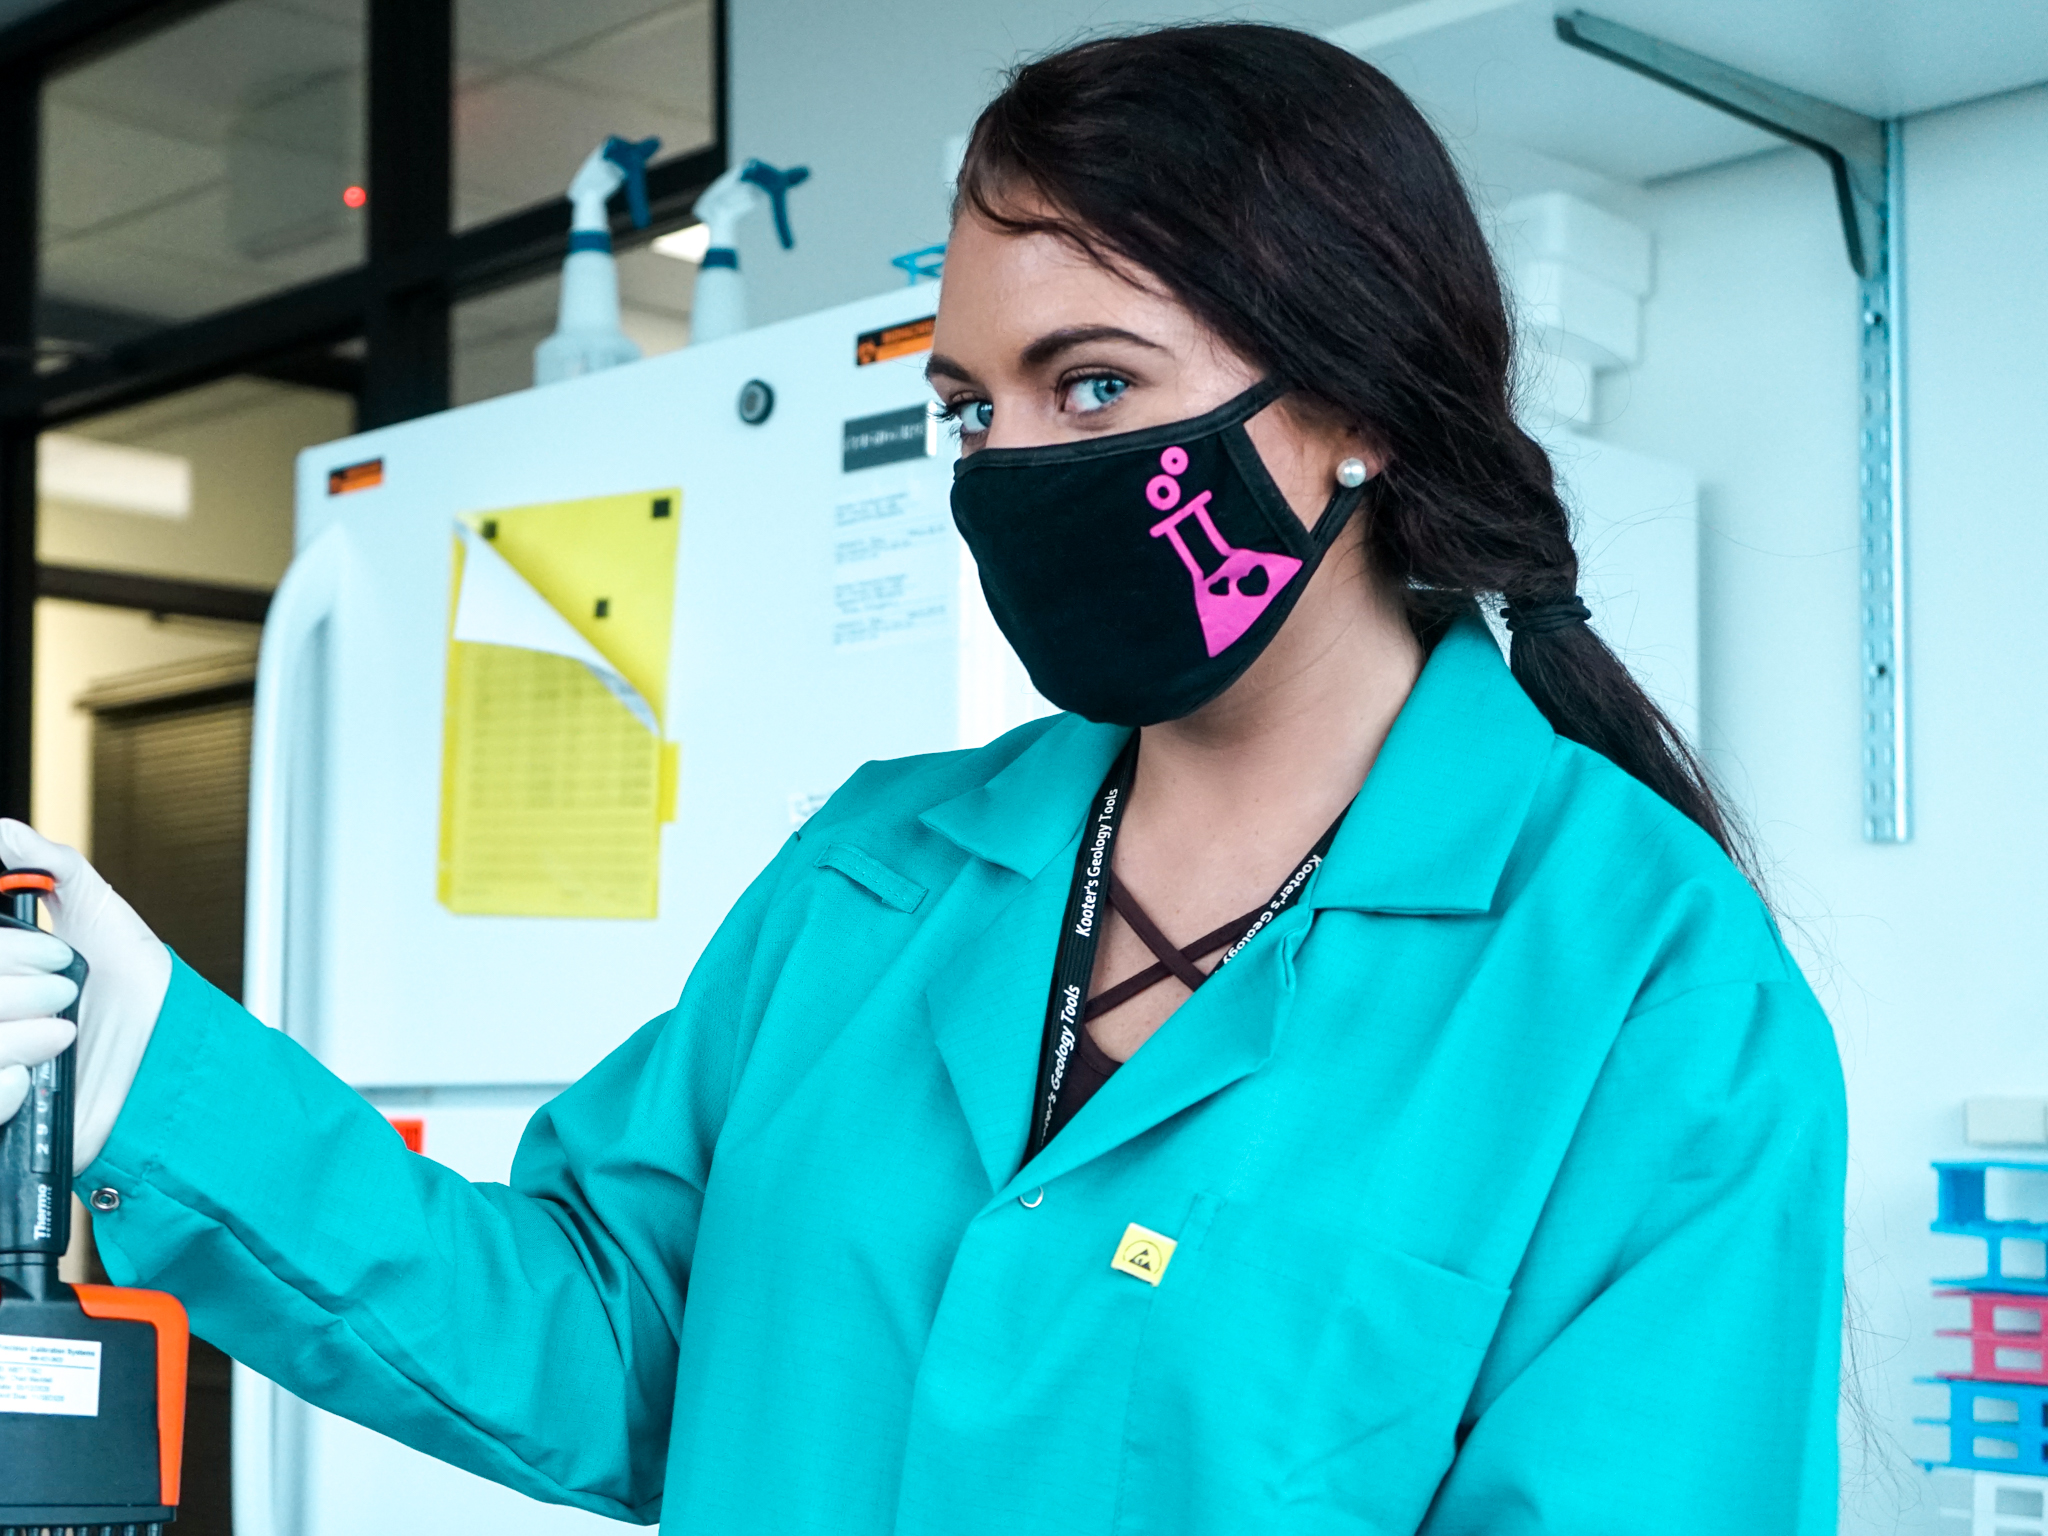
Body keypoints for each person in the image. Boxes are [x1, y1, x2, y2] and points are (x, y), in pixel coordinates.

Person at [0, 24, 1845, 1535]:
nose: (1012, 467)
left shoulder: (1649, 989)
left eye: (1094, 387)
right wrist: (144, 1059)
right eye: (973, 407)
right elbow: (597, 1337)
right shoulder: (878, 872)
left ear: (1355, 404)